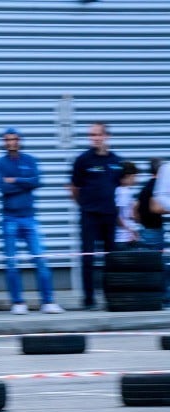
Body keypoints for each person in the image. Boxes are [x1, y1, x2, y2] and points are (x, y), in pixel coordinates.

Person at [0, 128, 64, 315]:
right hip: (9, 218)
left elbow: (36, 181)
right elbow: (2, 188)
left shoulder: (29, 160)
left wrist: (15, 180)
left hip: (29, 217)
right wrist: (23, 184)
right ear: (4, 143)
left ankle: (48, 301)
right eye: (7, 140)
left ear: (19, 141)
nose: (11, 143)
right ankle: (18, 302)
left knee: (40, 259)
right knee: (11, 263)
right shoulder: (0, 163)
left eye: (14, 139)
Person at [70, 122, 124, 310]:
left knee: (112, 258)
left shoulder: (117, 161)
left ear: (106, 136)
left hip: (109, 215)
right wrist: (85, 205)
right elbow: (74, 188)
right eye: (92, 135)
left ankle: (112, 297)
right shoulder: (83, 160)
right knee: (88, 257)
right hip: (89, 215)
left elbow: (121, 189)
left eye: (98, 135)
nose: (95, 138)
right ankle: (89, 299)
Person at [144, 158, 170, 306]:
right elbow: (155, 208)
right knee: (159, 266)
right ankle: (164, 299)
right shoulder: (155, 187)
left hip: (149, 230)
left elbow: (136, 208)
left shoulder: (147, 186)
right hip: (154, 231)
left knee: (154, 266)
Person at [114, 160, 140, 250]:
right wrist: (131, 231)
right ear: (126, 177)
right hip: (124, 239)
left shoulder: (122, 191)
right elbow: (117, 216)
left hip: (125, 238)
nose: (135, 179)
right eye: (134, 176)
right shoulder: (123, 192)